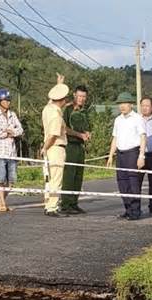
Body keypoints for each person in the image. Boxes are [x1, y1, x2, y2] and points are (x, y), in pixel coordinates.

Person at [107, 92, 146, 221]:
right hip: (121, 153)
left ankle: (136, 211)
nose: (122, 106)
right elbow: (115, 138)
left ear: (131, 104)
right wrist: (111, 155)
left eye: (124, 103)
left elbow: (143, 137)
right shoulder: (118, 120)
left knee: (133, 181)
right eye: (120, 104)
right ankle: (127, 209)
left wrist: (141, 155)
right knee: (122, 182)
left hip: (132, 152)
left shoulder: (137, 118)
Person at [0, 88, 23, 212]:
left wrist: (11, 132)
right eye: (6, 99)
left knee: (12, 180)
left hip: (11, 152)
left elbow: (20, 130)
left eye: (9, 99)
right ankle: (3, 202)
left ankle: (0, 200)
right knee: (1, 179)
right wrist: (9, 132)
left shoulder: (12, 115)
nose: (8, 102)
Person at [41, 73, 70, 218]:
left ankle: (48, 204)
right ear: (62, 100)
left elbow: (51, 100)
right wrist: (45, 148)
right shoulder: (56, 115)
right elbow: (53, 135)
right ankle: (52, 207)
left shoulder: (48, 108)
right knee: (56, 179)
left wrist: (59, 85)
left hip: (49, 148)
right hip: (56, 148)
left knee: (49, 178)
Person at [61, 85, 90, 215]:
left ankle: (74, 203)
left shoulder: (85, 111)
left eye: (84, 96)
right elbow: (64, 128)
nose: (81, 99)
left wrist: (88, 133)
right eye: (79, 96)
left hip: (81, 146)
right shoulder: (67, 109)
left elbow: (87, 127)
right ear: (74, 95)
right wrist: (79, 135)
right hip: (70, 145)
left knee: (79, 176)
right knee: (69, 175)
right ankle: (66, 204)